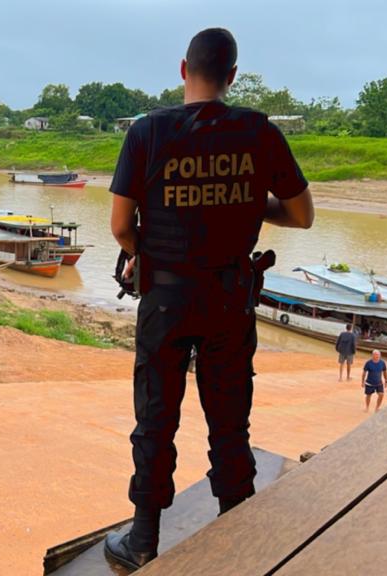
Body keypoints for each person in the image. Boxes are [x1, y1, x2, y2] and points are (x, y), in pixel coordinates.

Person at [104, 28, 314, 570]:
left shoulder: (147, 133)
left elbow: (121, 225)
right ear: (233, 76)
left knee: (156, 416)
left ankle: (144, 538)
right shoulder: (259, 132)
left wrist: (140, 252)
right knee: (229, 417)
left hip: (167, 299)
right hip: (229, 298)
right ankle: (236, 525)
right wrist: (246, 204)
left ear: (183, 70)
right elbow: (300, 214)